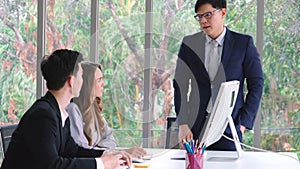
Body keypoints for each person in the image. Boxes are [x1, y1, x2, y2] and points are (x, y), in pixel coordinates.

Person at [1, 49, 131, 169]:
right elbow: (53, 165)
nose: (83, 81)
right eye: (81, 76)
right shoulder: (43, 115)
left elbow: (73, 151)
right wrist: (101, 164)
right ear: (71, 81)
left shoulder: (59, 112)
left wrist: (110, 155)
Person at [173, 0, 264, 151]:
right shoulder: (189, 44)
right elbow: (180, 86)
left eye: (208, 15)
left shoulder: (243, 44)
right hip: (194, 130)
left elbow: (257, 84)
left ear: (223, 13)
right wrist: (183, 124)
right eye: (199, 16)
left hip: (229, 129)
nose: (203, 21)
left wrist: (243, 124)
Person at [66, 61, 147, 158]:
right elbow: (81, 150)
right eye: (99, 80)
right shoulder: (72, 110)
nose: (103, 84)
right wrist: (114, 151)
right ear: (88, 84)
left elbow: (110, 139)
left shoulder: (94, 108)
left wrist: (97, 148)